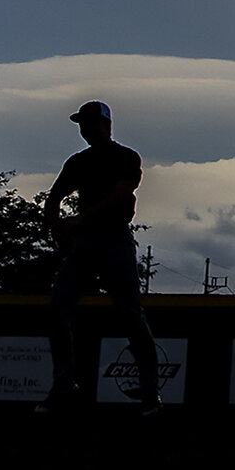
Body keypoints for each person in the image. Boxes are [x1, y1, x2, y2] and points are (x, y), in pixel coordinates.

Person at [42, 100, 163, 413]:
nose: (85, 129)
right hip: (85, 245)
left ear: (106, 125)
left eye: (91, 123)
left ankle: (150, 391)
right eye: (82, 124)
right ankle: (64, 385)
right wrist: (56, 225)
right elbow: (54, 197)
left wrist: (76, 221)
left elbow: (121, 195)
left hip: (115, 243)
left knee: (130, 315)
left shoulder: (126, 157)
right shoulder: (77, 162)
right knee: (57, 309)